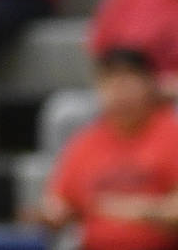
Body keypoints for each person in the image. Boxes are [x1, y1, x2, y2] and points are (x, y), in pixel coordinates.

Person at [33, 48, 178, 250]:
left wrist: (143, 211)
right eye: (111, 81)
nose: (120, 91)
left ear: (150, 84)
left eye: (128, 80)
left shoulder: (171, 134)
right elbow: (61, 201)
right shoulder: (85, 142)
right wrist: (52, 214)